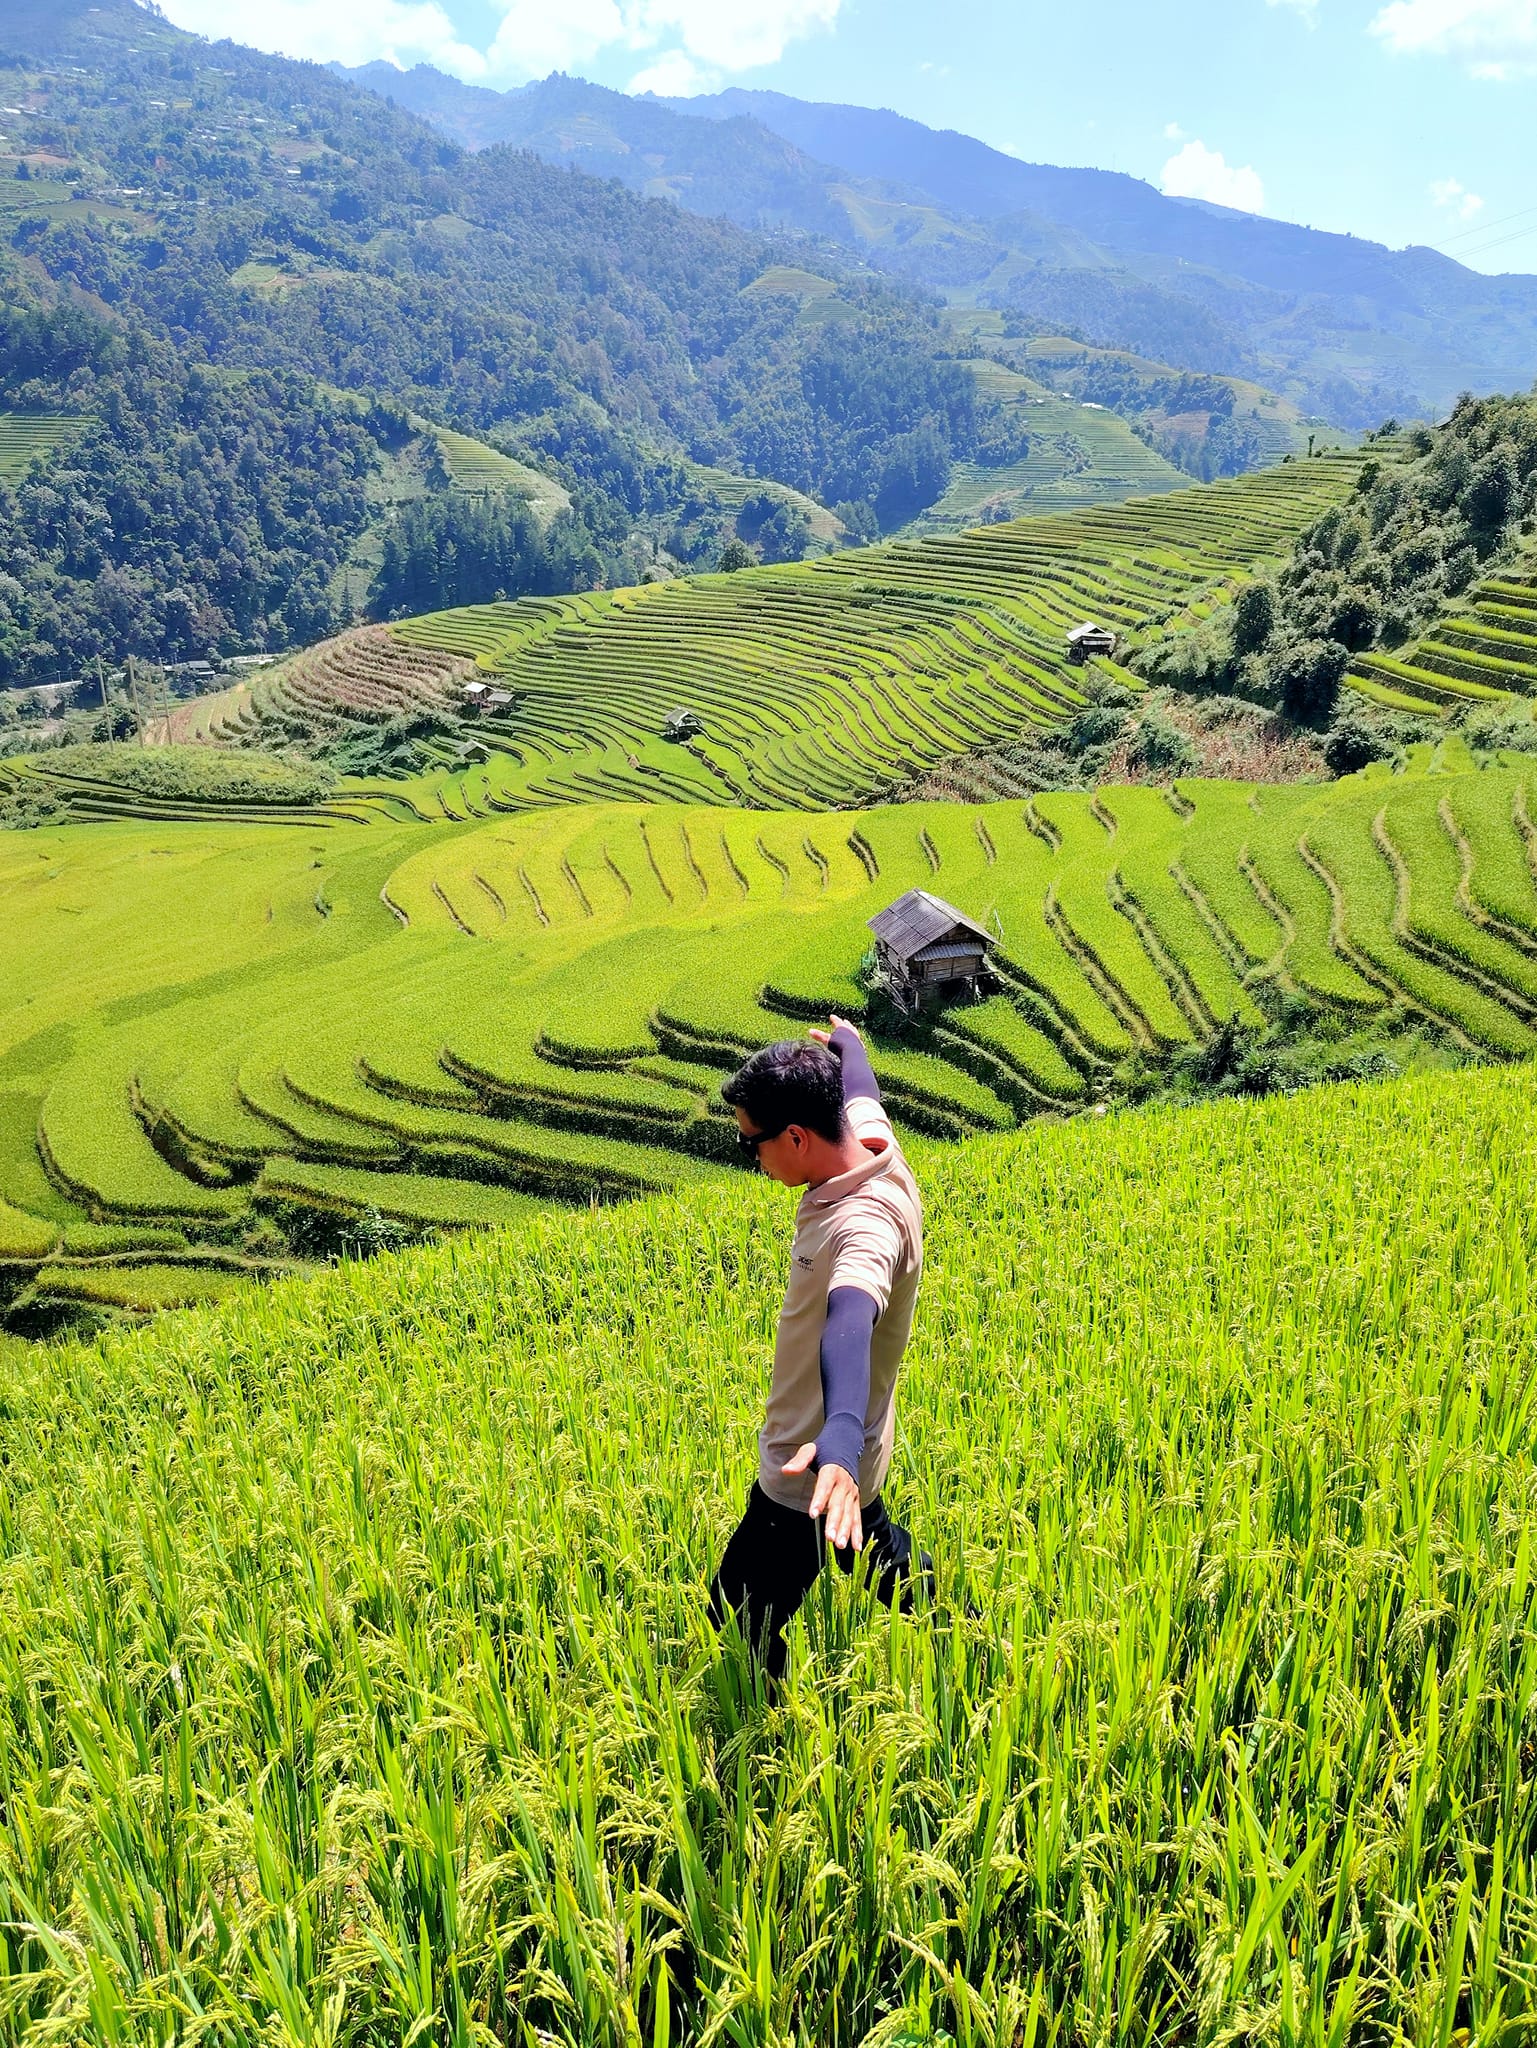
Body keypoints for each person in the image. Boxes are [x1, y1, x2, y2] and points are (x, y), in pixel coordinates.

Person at [710, 1014, 932, 1682]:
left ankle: (762, 1733)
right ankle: (956, 1622)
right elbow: (860, 1088)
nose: (751, 1155)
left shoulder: (861, 1225)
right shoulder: (869, 1145)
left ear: (798, 1136)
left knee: (738, 1608)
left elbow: (850, 1319)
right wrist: (851, 1045)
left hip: (809, 1471)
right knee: (869, 1551)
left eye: (752, 1142)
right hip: (854, 1454)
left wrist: (833, 1441)